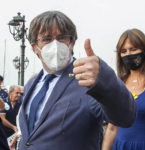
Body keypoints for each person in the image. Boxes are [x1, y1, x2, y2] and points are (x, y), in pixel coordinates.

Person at [18, 11, 136, 150]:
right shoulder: (32, 84)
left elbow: (125, 116)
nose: (55, 44)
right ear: (35, 47)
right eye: (46, 39)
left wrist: (104, 78)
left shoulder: (88, 80)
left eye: (62, 37)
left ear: (72, 43)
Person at [102, 28, 145, 150]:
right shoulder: (118, 83)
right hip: (120, 146)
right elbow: (112, 128)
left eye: (133, 49)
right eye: (123, 51)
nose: (128, 54)